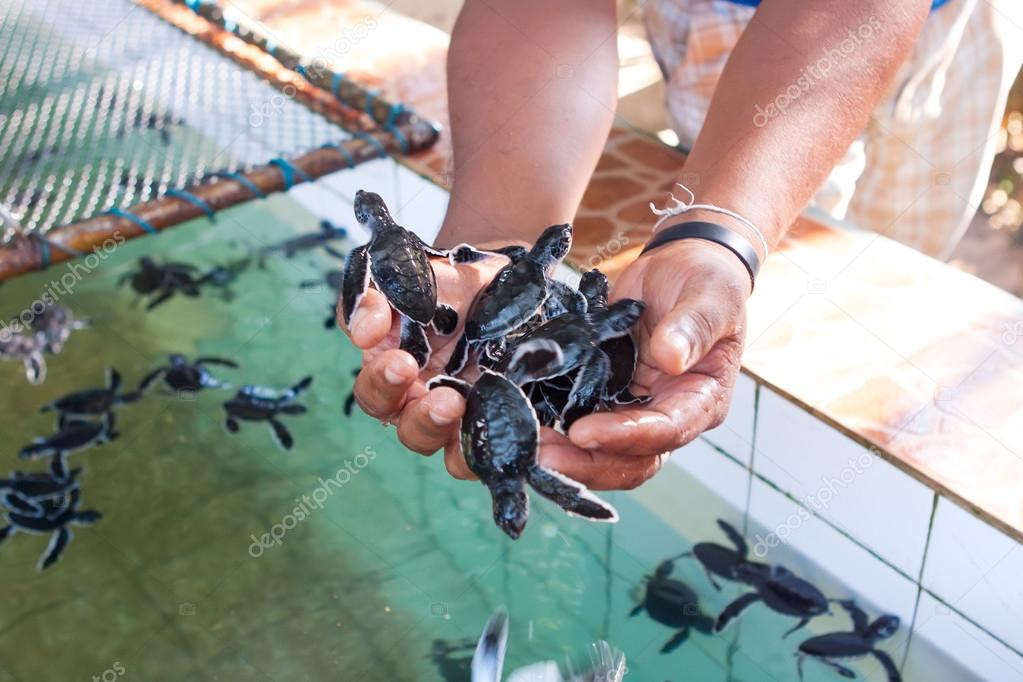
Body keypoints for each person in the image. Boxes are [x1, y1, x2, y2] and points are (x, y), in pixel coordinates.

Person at [341, 0, 1021, 491]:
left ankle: (868, 438)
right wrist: (496, 241)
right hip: (715, 16)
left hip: (935, 22)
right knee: (750, 260)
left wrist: (717, 233)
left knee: (882, 269)